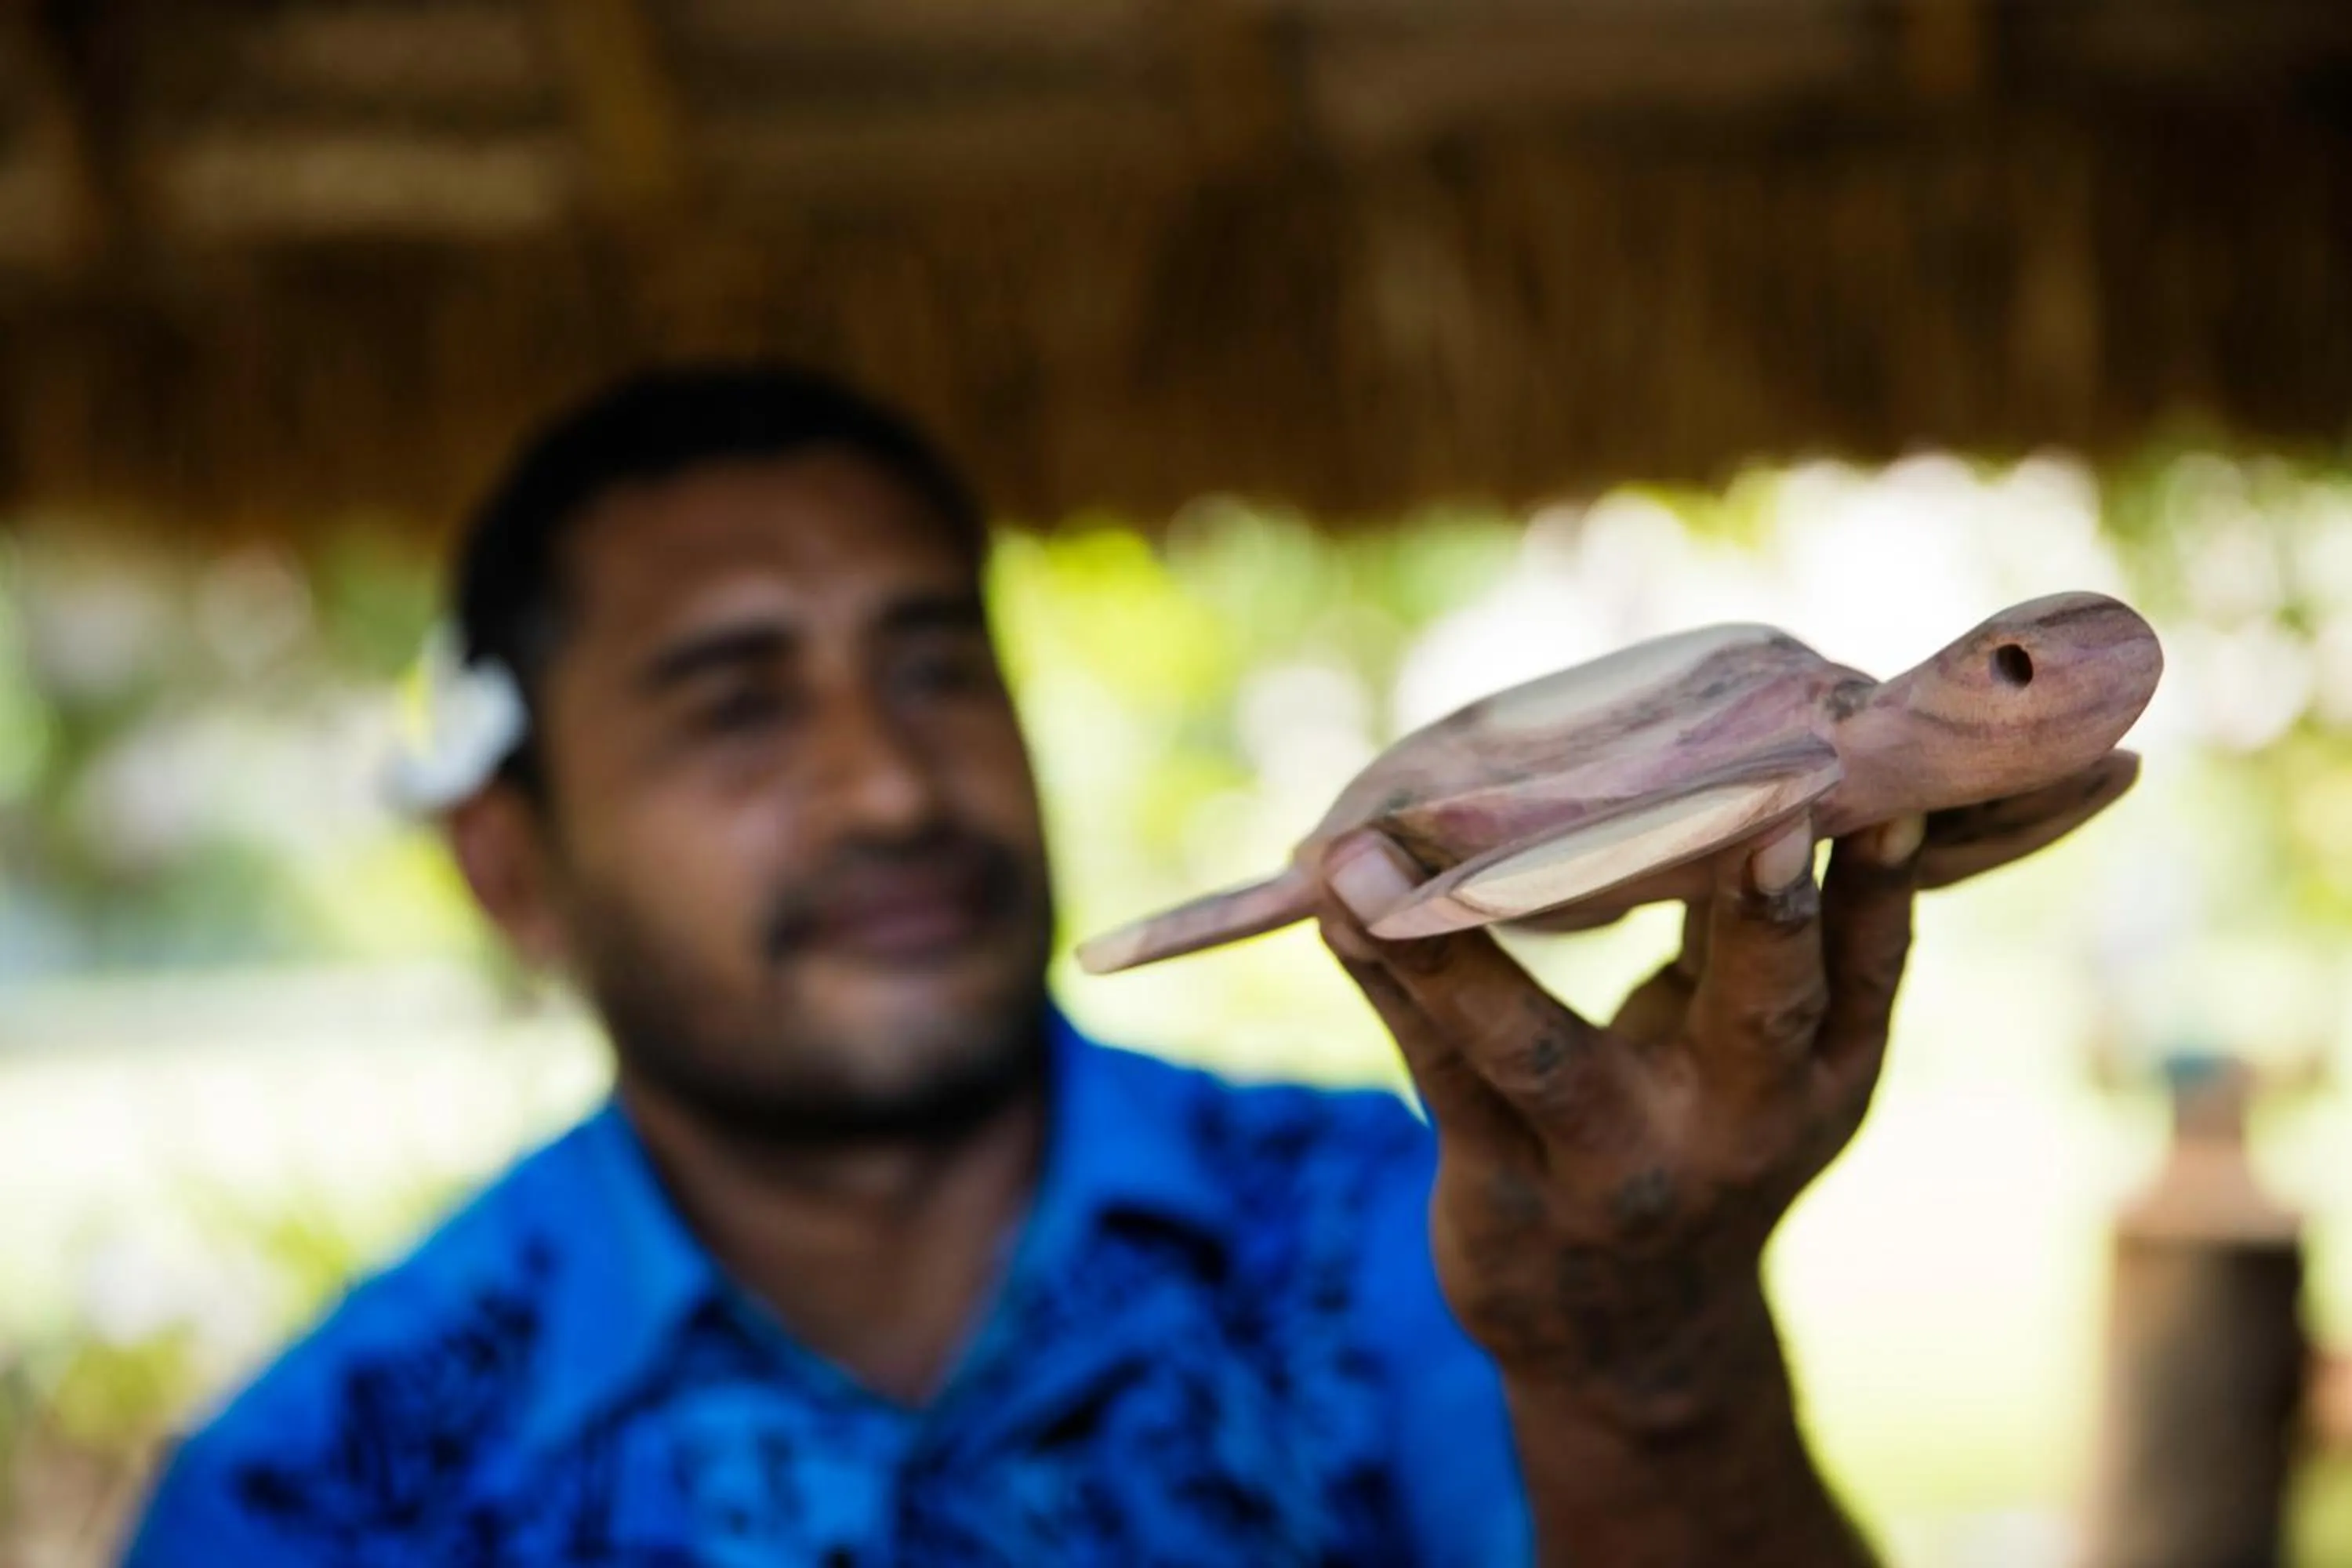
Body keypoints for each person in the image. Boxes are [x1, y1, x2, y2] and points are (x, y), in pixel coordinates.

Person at [122, 365, 1922, 1566]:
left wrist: (1651, 1357)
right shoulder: (327, 1486)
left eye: (935, 667)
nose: (896, 784)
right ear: (513, 864)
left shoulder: (1428, 1232)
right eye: (738, 706)